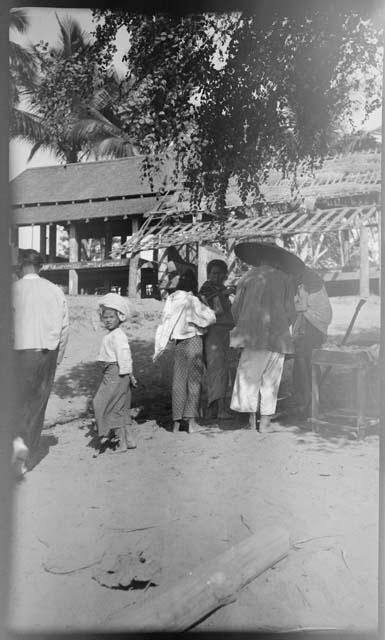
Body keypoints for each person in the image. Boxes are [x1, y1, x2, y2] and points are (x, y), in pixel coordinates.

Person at [12, 249, 69, 476]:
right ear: (41, 267)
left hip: (18, 355)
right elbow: (64, 329)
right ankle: (25, 461)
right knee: (36, 408)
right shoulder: (55, 291)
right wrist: (58, 357)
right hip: (47, 354)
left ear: (20, 266)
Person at [229, 263, 296, 431]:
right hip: (278, 337)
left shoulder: (248, 277)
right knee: (271, 381)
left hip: (253, 336)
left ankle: (250, 421)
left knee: (248, 378)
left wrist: (245, 325)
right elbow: (291, 313)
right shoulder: (286, 279)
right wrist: (279, 325)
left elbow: (235, 309)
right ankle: (265, 423)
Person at [154, 270, 216, 433]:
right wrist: (204, 304)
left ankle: (176, 423)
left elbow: (165, 320)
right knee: (194, 381)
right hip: (194, 340)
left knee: (179, 381)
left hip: (179, 343)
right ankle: (191, 422)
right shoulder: (192, 300)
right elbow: (209, 318)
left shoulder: (172, 299)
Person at [93, 293, 137, 453]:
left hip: (116, 373)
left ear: (120, 317)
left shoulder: (118, 336)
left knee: (102, 403)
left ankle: (111, 437)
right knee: (121, 406)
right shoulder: (111, 335)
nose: (108, 320)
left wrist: (128, 374)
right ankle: (128, 439)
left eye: (111, 316)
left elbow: (124, 356)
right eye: (105, 317)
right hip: (114, 373)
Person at [292, 267, 332, 419]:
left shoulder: (304, 286)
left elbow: (301, 307)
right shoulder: (319, 285)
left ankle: (308, 402)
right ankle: (314, 400)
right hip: (318, 329)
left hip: (309, 328)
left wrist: (290, 303)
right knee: (312, 364)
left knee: (303, 365)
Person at [199, 259, 234, 418]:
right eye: (214, 273)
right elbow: (210, 309)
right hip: (213, 332)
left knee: (223, 370)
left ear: (225, 275)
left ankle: (215, 409)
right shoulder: (206, 289)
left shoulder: (222, 289)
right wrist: (223, 294)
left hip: (225, 333)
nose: (217, 276)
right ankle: (218, 410)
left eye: (220, 273)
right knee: (216, 370)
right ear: (208, 274)